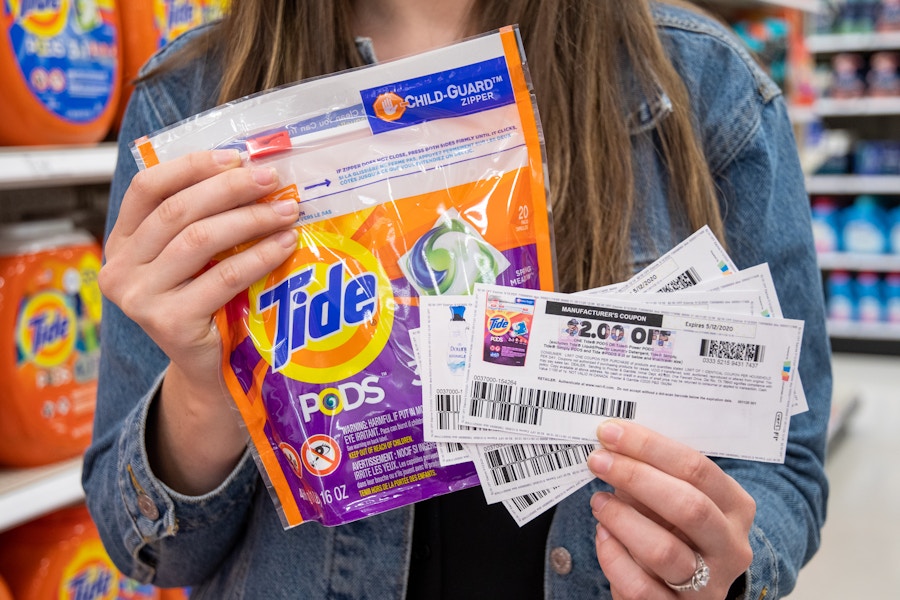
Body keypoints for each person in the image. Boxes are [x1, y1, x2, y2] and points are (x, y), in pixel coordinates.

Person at [83, 1, 832, 598]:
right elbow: (148, 551)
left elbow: (786, 464)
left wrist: (716, 570)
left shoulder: (703, 84)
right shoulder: (188, 103)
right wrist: (206, 386)